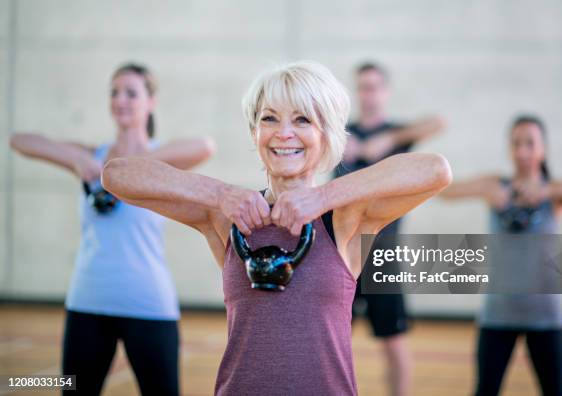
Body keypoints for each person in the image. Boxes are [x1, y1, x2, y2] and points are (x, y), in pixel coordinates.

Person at [101, 60, 452, 396]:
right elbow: (116, 174)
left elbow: (436, 170)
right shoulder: (227, 216)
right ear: (255, 133)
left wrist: (323, 197)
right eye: (269, 119)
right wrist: (219, 193)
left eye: (302, 120)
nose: (284, 133)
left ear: (326, 134)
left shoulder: (345, 220)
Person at [10, 63, 216, 396]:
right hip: (87, 303)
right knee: (73, 389)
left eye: (131, 93)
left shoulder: (160, 159)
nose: (120, 99)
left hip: (149, 304)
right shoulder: (93, 156)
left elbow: (206, 146)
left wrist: (131, 166)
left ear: (150, 102)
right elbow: (20, 140)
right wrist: (76, 159)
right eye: (114, 92)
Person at [439, 115, 562, 396]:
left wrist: (549, 190)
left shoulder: (555, 192)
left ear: (543, 149)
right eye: (516, 143)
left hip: (545, 315)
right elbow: (445, 191)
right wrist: (488, 191)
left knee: (556, 390)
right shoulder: (496, 184)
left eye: (530, 143)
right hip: (497, 314)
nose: (522, 151)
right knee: (485, 390)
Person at [334, 62, 446, 396]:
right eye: (363, 87)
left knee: (394, 342)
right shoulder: (341, 135)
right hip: (340, 255)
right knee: (334, 340)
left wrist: (388, 139)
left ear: (385, 91)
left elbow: (438, 122)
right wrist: (338, 143)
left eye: (374, 87)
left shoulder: (396, 136)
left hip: (382, 255)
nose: (368, 94)